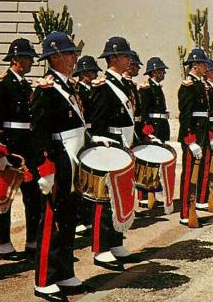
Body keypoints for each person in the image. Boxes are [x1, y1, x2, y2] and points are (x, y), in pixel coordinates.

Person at [30, 31, 85, 301]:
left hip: (72, 158)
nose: (74, 58)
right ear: (56, 57)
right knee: (51, 220)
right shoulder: (46, 91)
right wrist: (45, 168)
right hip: (58, 157)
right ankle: (44, 279)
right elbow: (39, 133)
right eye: (70, 53)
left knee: (68, 217)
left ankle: (64, 272)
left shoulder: (69, 87)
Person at [0, 38, 40, 261]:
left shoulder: (26, 86)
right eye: (27, 58)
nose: (31, 63)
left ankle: (32, 240)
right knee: (3, 197)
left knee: (32, 195)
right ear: (16, 59)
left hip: (27, 145)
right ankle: (4, 244)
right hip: (9, 145)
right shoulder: (0, 84)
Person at [89, 37, 137, 270]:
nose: (129, 59)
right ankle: (101, 248)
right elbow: (97, 124)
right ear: (114, 58)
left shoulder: (124, 84)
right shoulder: (103, 86)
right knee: (105, 197)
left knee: (120, 196)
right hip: (110, 145)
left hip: (124, 144)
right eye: (125, 55)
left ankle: (116, 242)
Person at [177, 48, 211, 225]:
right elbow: (185, 116)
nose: (206, 67)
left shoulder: (199, 84)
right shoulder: (187, 86)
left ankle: (192, 209)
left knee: (196, 176)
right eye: (204, 64)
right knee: (189, 175)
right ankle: (184, 213)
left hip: (202, 135)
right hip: (193, 138)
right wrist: (190, 141)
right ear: (195, 65)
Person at [137, 56, 175, 212]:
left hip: (161, 126)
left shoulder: (157, 87)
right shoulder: (147, 89)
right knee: (149, 163)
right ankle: (146, 196)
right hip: (153, 127)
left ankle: (153, 193)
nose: (163, 73)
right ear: (154, 72)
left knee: (156, 163)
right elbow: (144, 112)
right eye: (161, 71)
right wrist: (148, 131)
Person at [72, 55, 101, 235]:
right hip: (83, 133)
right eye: (92, 72)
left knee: (90, 179)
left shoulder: (91, 90)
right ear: (84, 73)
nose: (95, 75)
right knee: (80, 180)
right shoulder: (78, 91)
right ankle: (79, 219)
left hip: (91, 134)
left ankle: (87, 217)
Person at [197, 58, 213, 210]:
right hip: (209, 132)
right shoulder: (206, 88)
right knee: (206, 167)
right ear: (207, 73)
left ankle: (206, 196)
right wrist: (212, 136)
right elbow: (207, 117)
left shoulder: (211, 87)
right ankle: (201, 199)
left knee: (210, 167)